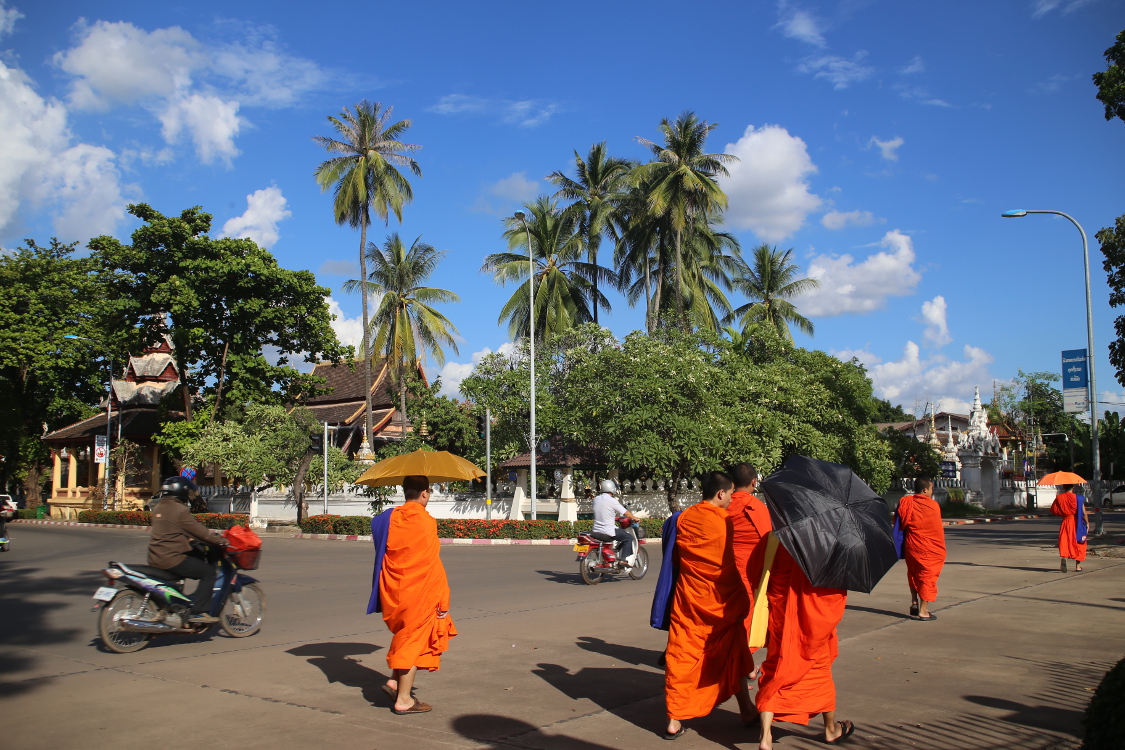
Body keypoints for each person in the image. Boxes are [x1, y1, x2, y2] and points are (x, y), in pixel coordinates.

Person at [663, 471, 754, 740]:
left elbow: (677, 558)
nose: (730, 501)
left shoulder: (686, 517)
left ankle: (674, 720)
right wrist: (741, 598)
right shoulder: (724, 521)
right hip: (720, 602)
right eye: (730, 495)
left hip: (689, 602)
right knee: (733, 652)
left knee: (682, 657)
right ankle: (747, 710)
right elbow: (727, 567)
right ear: (721, 493)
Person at [368, 475, 457, 715]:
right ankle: (404, 700)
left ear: (405, 491)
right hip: (420, 591)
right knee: (412, 642)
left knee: (405, 635)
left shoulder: (391, 516)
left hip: (395, 589)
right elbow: (431, 563)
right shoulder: (426, 522)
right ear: (425, 493)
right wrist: (443, 596)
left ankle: (395, 683)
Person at [754, 536, 852, 747]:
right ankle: (830, 729)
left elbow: (756, 570)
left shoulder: (775, 538)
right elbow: (835, 589)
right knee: (818, 671)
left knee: (777, 669)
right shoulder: (827, 541)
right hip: (813, 624)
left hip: (781, 616)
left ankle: (766, 736)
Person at [148, 475, 229, 624]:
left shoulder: (159, 506)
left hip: (155, 556)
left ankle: (177, 605)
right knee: (209, 573)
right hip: (171, 558)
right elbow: (200, 532)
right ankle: (199, 612)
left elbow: (171, 530)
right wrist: (221, 540)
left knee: (195, 557)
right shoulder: (179, 509)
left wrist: (189, 539)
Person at [726, 463, 773, 662]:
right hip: (748, 571)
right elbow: (768, 541)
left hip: (722, 569)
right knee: (746, 615)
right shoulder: (756, 507)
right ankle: (741, 662)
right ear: (754, 482)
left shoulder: (721, 504)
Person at [895, 477, 946, 621]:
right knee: (927, 577)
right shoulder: (933, 505)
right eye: (931, 489)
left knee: (913, 573)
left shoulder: (906, 502)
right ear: (925, 490)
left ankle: (914, 602)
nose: (931, 492)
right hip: (930, 548)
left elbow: (900, 522)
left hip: (912, 546)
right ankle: (923, 611)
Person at [591, 479, 637, 565]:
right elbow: (625, 512)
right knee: (628, 537)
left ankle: (615, 551)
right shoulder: (612, 501)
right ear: (612, 489)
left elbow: (604, 511)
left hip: (596, 530)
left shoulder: (596, 499)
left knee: (621, 534)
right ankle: (623, 559)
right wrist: (634, 517)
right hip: (607, 530)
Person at [1050, 484, 1089, 572]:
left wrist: (1064, 513)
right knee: (1079, 541)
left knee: (1065, 541)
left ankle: (1064, 557)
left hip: (1066, 522)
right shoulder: (1079, 498)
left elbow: (1054, 510)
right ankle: (1078, 566)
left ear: (1063, 487)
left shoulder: (1059, 498)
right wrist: (1087, 523)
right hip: (1077, 522)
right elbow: (1083, 512)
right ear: (1073, 487)